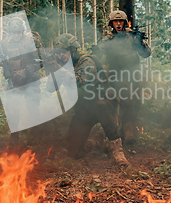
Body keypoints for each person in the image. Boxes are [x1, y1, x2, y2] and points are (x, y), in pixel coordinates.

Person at [50, 33, 129, 166]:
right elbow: (51, 88)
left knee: (102, 107)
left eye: (64, 52)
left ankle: (118, 153)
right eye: (59, 53)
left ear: (73, 49)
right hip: (84, 109)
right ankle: (96, 141)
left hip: (103, 102)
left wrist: (60, 69)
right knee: (73, 152)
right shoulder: (63, 66)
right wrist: (53, 69)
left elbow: (81, 80)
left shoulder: (86, 60)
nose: (61, 55)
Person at [93, 10, 151, 145]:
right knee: (128, 96)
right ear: (111, 24)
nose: (118, 24)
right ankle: (127, 131)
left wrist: (140, 43)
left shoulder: (132, 36)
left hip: (134, 74)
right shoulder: (108, 39)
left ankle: (128, 130)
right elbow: (98, 53)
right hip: (116, 75)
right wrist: (96, 51)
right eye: (115, 22)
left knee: (137, 103)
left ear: (125, 23)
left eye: (120, 21)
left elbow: (146, 54)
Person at [0, 17, 43, 147]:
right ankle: (15, 138)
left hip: (32, 80)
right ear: (10, 32)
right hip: (14, 81)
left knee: (32, 110)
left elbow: (40, 60)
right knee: (12, 109)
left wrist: (25, 71)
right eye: (14, 33)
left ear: (22, 31)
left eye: (18, 32)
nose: (16, 35)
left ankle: (33, 140)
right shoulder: (5, 43)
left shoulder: (31, 41)